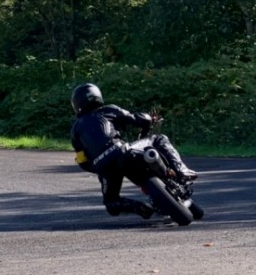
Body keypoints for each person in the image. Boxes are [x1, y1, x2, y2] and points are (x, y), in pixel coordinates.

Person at [70, 82, 197, 218]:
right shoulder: (108, 110)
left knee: (112, 203)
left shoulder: (75, 130)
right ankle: (181, 170)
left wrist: (100, 166)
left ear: (77, 104)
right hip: (122, 151)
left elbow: (82, 162)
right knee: (159, 139)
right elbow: (139, 119)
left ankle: (141, 208)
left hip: (104, 167)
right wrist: (149, 119)